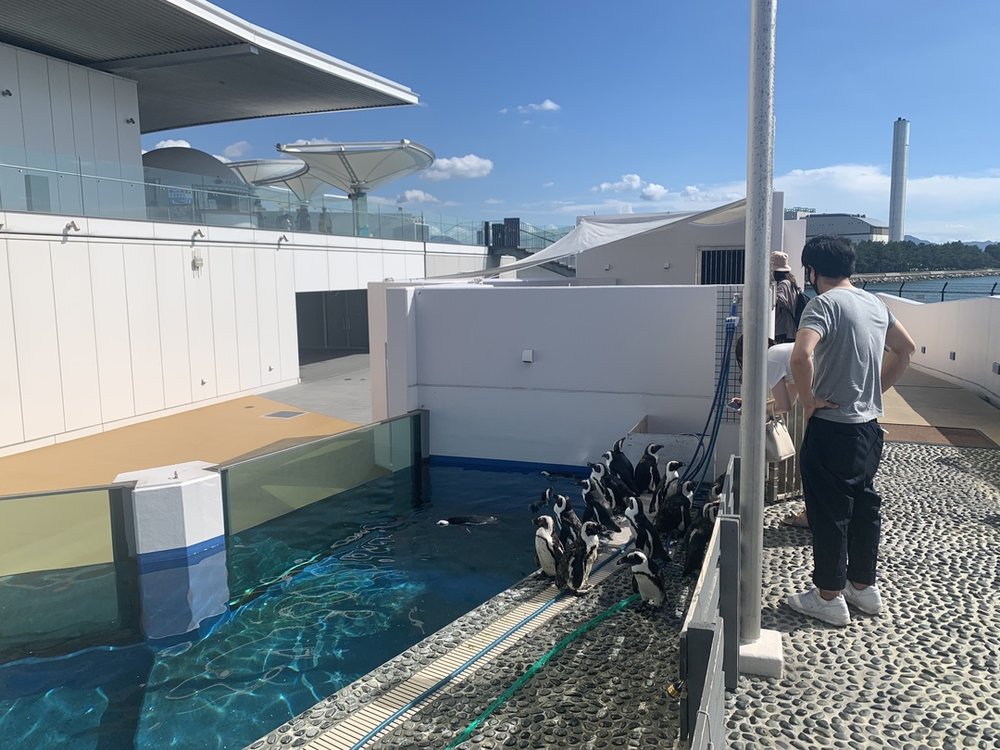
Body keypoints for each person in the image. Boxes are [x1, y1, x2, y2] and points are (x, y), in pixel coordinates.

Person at [786, 235, 915, 627]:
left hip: (832, 428)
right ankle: (863, 588)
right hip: (868, 429)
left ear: (811, 270)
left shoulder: (822, 305)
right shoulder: (875, 302)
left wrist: (808, 401)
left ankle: (828, 597)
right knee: (863, 508)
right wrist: (875, 389)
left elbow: (800, 355)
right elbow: (906, 349)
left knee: (829, 514)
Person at [772, 250, 803, 344]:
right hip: (790, 330)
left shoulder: (783, 284)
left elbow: (778, 301)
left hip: (783, 330)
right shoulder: (791, 282)